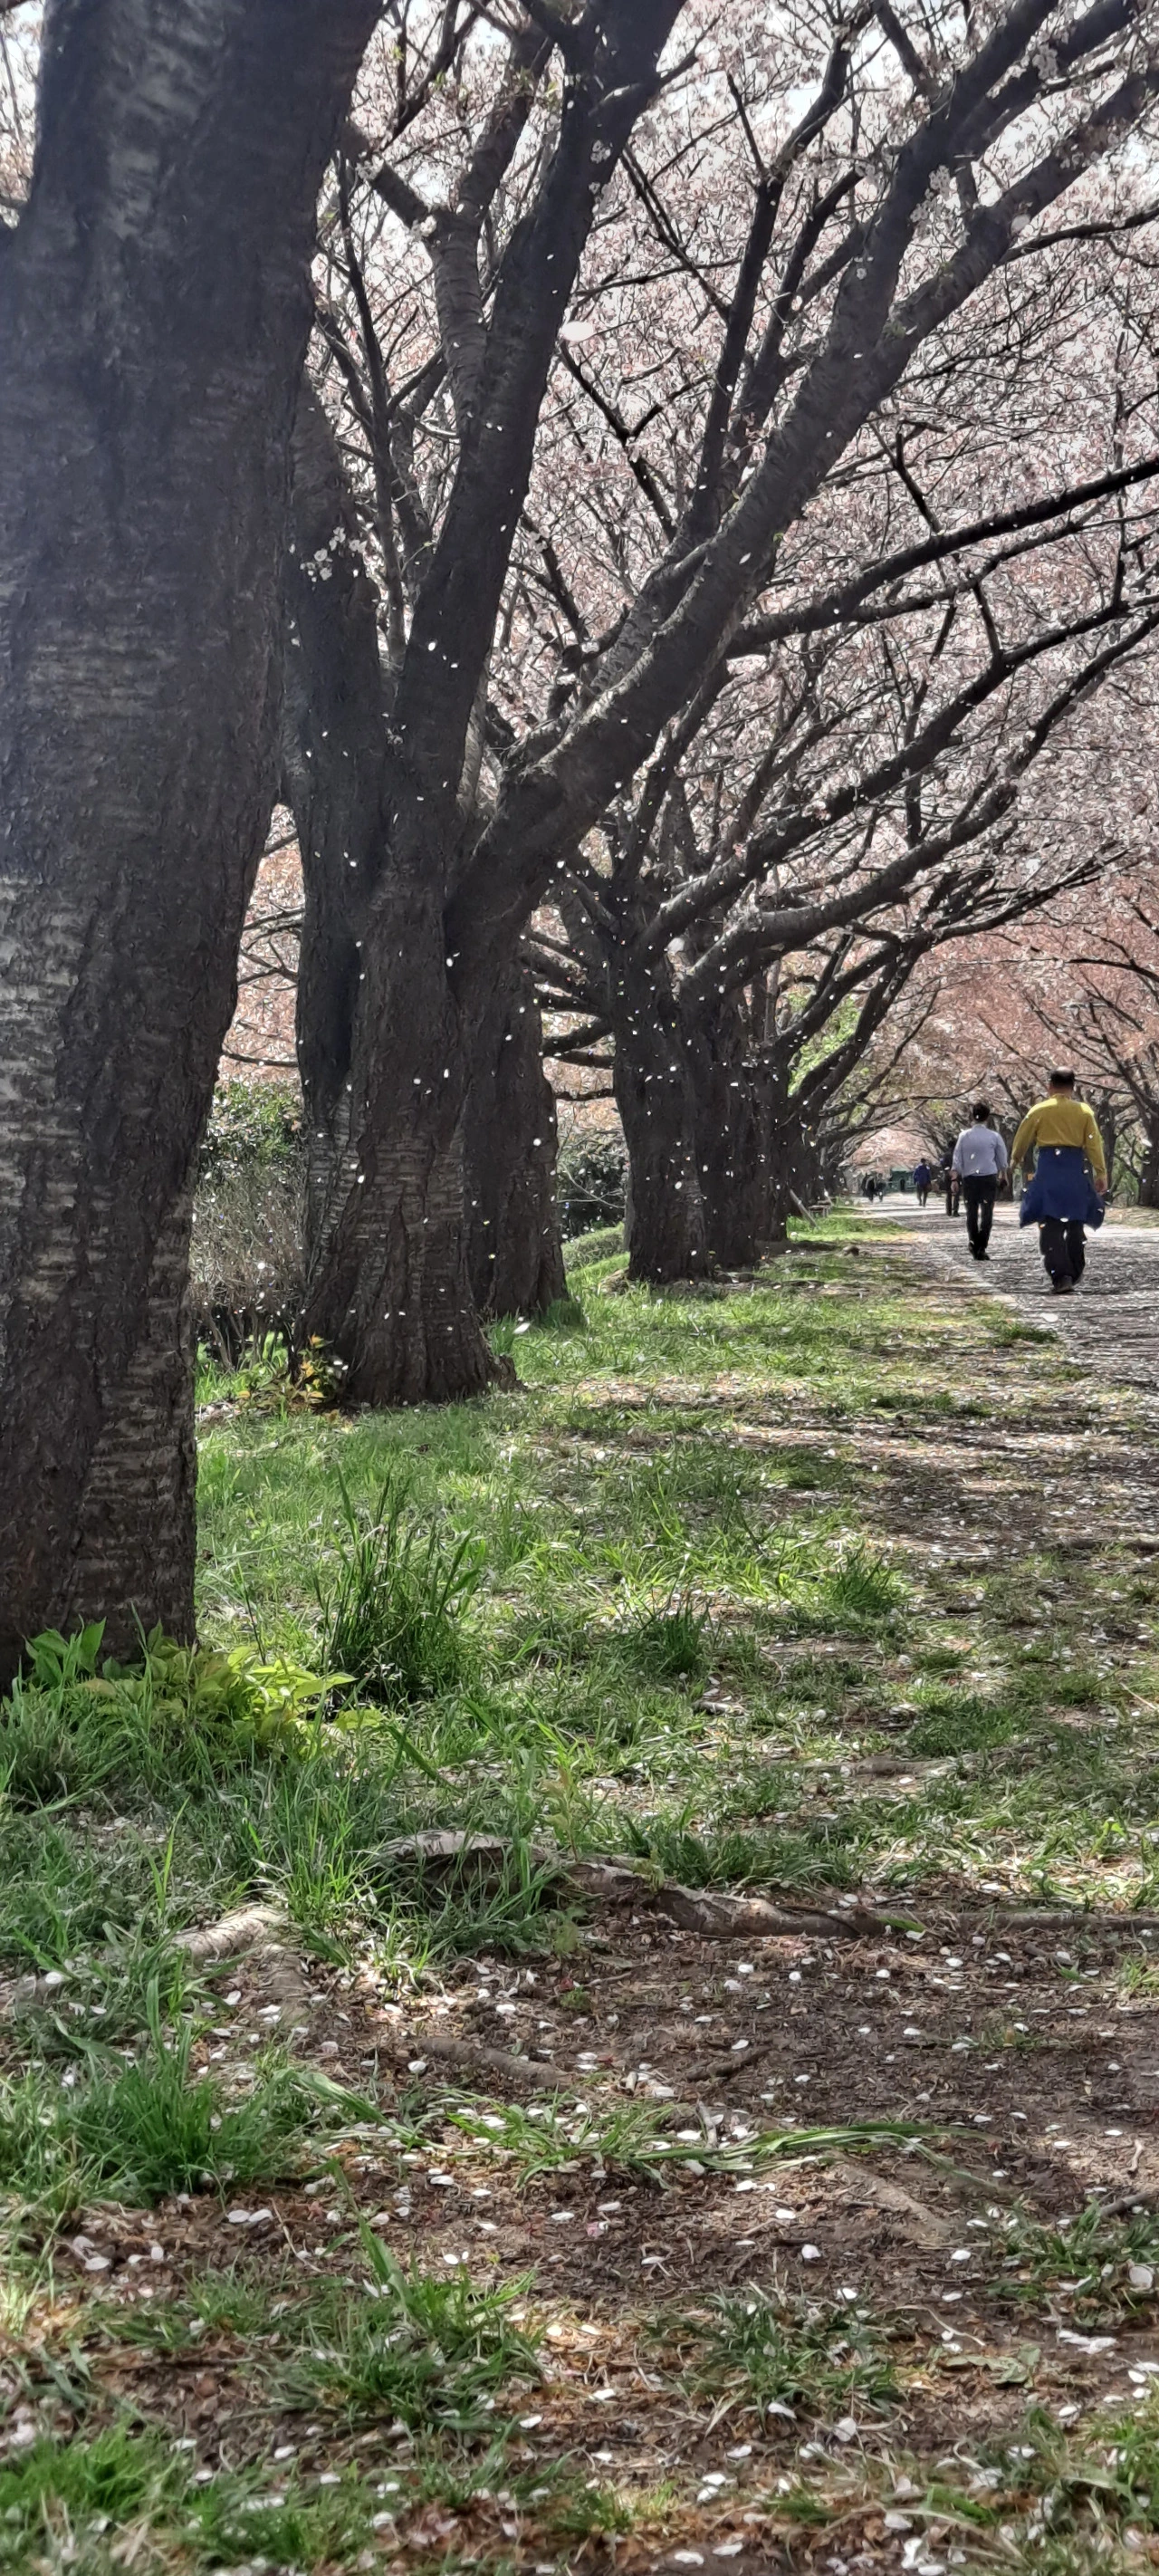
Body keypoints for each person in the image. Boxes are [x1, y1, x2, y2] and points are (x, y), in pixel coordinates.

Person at [1011, 1069, 1107, 1294]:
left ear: (1050, 1086)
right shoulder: (1084, 1111)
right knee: (1075, 1222)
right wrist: (1101, 1172)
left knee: (1050, 1224)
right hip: (1074, 1171)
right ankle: (1074, 1269)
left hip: (1049, 1171)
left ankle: (1061, 1275)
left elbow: (1022, 1139)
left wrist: (1014, 1161)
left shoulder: (1039, 1110)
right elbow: (1094, 1144)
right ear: (1073, 1087)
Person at [951, 1101, 1009, 1260]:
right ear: (987, 1117)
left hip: (970, 1179)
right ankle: (981, 1246)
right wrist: (1003, 1175)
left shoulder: (964, 1136)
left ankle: (973, 1242)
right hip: (988, 1178)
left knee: (971, 1212)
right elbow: (1002, 1159)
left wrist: (954, 1178)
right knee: (987, 1213)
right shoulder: (994, 1136)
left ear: (972, 1116)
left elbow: (957, 1159)